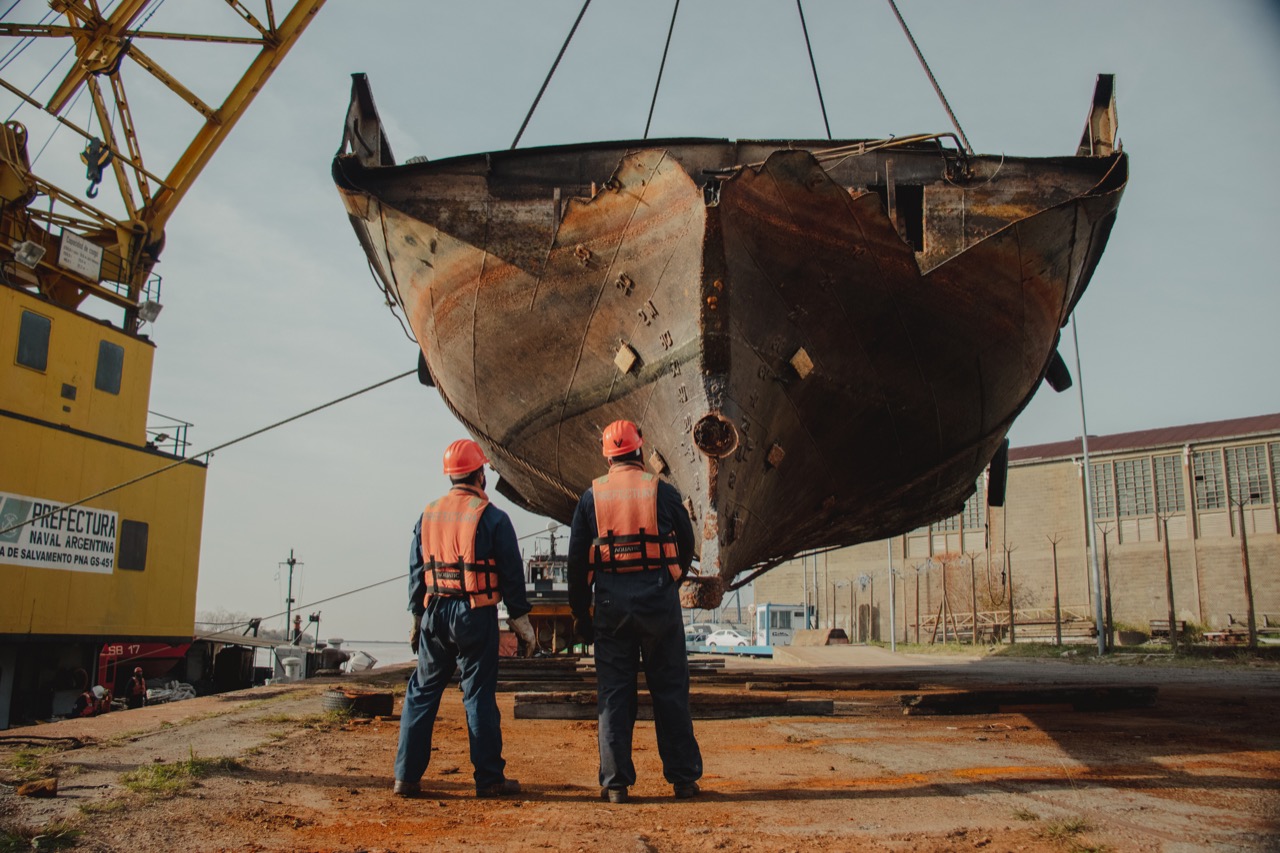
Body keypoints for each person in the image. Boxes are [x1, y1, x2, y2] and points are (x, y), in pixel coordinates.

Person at [393, 438, 537, 798]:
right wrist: (521, 624)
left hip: (434, 611)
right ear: (479, 473)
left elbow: (416, 571)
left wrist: (416, 616)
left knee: (422, 693)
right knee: (477, 696)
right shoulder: (492, 518)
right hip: (475, 614)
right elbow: (511, 574)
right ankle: (489, 780)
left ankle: (406, 778)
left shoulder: (427, 516)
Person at [568, 419, 702, 804]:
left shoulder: (591, 497)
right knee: (670, 690)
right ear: (640, 451)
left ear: (607, 457)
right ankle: (683, 780)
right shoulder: (662, 491)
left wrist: (581, 612)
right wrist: (669, 581)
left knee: (614, 695)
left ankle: (615, 784)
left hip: (611, 605)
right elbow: (686, 544)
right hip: (658, 603)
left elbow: (578, 563)